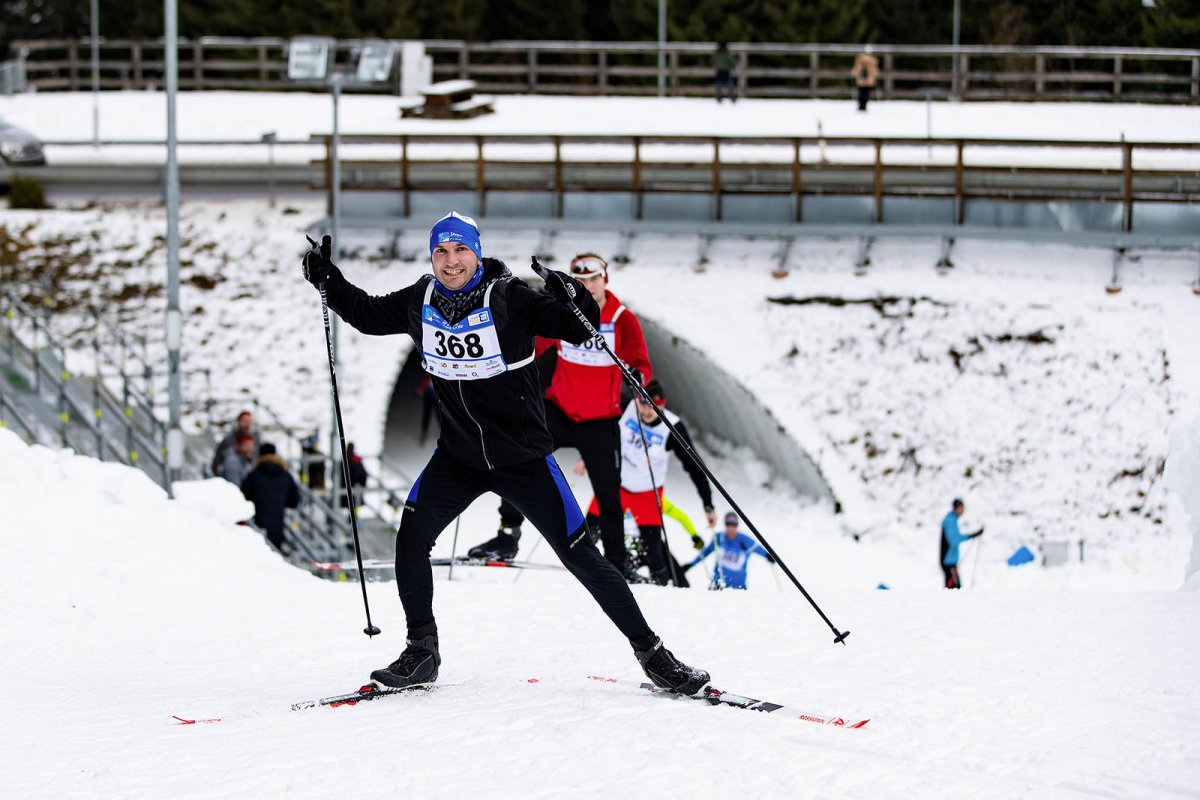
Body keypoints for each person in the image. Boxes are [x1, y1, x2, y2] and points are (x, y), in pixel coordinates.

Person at [300, 212, 709, 695]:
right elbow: (368, 315)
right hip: (458, 458)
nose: (451, 262)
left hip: (524, 460)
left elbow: (575, 328)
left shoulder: (509, 297)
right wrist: (330, 281)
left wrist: (573, 296)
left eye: (460, 251)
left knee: (582, 557)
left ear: (476, 252)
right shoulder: (421, 299)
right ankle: (421, 651)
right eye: (441, 252)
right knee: (410, 539)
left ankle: (655, 655)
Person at [468, 250, 653, 577]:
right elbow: (531, 345)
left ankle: (617, 563)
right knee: (518, 461)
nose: (588, 286)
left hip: (600, 421)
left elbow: (641, 362)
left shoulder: (622, 318)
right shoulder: (564, 314)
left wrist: (637, 376)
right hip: (560, 413)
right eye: (580, 280)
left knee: (609, 493)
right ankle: (507, 536)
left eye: (594, 279)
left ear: (605, 280)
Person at [581, 380, 716, 586]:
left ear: (661, 405)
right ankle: (582, 566)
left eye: (651, 409)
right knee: (589, 531)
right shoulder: (627, 408)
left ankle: (660, 583)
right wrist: (588, 457)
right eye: (642, 406)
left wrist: (707, 503)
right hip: (615, 484)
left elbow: (694, 466)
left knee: (653, 549)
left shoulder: (672, 426)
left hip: (646, 494)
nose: (645, 413)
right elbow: (600, 427)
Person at [240, 442, 301, 554]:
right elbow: (295, 500)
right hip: (278, 529)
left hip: (257, 527)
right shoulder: (285, 475)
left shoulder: (253, 475)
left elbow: (243, 498)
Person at [686, 512, 773, 590]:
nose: (731, 528)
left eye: (733, 525)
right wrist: (691, 564)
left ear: (737, 526)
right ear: (725, 525)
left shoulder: (744, 540)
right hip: (718, 585)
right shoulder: (719, 538)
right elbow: (706, 552)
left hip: (738, 587)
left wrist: (768, 555)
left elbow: (757, 549)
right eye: (728, 525)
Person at [940, 498, 983, 589]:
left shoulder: (953, 519)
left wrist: (971, 536)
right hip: (948, 560)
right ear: (956, 508)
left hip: (950, 560)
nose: (963, 510)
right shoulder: (950, 521)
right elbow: (953, 540)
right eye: (961, 507)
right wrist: (971, 536)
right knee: (954, 589)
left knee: (952, 588)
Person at [211, 410, 257, 477]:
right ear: (239, 421)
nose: (248, 423)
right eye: (245, 420)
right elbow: (217, 462)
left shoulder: (255, 439)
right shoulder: (229, 441)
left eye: (250, 421)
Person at [340, 442, 369, 508]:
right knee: (354, 507)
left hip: (346, 489)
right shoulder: (355, 460)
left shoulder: (344, 460)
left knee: (352, 507)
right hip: (353, 488)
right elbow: (363, 475)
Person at [852, 46, 879, 112]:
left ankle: (861, 106)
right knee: (866, 94)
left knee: (861, 94)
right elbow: (875, 72)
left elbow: (855, 71)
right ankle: (864, 107)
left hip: (861, 81)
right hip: (869, 81)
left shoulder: (859, 60)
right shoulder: (872, 60)